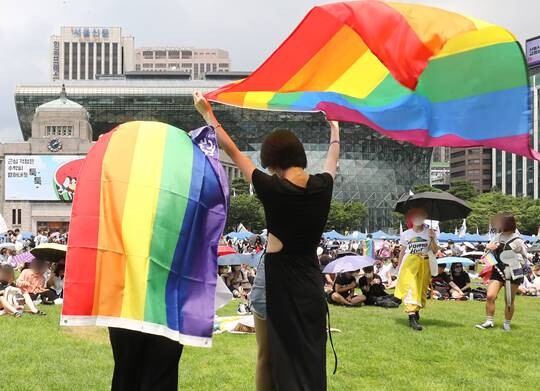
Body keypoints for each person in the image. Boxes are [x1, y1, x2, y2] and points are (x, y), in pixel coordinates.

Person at [194, 91, 338, 391]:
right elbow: (332, 160)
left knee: (267, 357)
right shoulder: (324, 187)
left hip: (275, 282)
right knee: (310, 355)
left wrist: (209, 114)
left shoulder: (272, 188)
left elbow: (233, 152)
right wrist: (335, 130)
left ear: (273, 163)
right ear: (299, 157)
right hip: (310, 282)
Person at [476, 214, 527, 331]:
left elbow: (525, 257)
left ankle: (507, 323)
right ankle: (489, 321)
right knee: (490, 296)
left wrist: (514, 258)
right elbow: (486, 252)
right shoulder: (497, 237)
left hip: (513, 270)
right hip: (498, 270)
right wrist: (488, 246)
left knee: (509, 299)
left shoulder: (518, 240)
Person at [394, 208, 438, 331]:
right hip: (409, 263)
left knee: (420, 290)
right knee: (410, 288)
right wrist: (399, 266)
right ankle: (412, 316)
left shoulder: (429, 232)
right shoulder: (406, 234)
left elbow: (434, 251)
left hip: (424, 264)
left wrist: (433, 238)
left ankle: (415, 310)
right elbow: (402, 251)